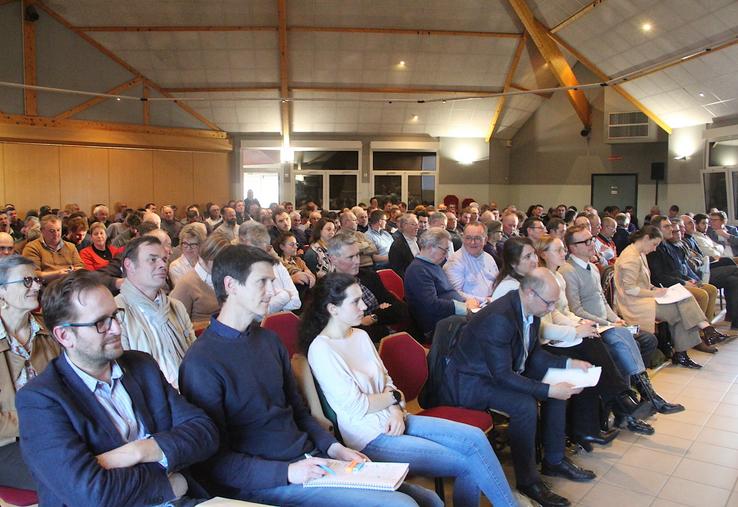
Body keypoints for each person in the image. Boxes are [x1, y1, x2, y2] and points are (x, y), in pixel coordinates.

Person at [179, 245, 441, 507]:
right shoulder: (202, 362)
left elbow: (299, 411)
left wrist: (334, 448)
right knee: (402, 504)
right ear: (231, 285)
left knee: (427, 499)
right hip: (265, 481)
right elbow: (213, 460)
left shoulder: (269, 340)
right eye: (262, 282)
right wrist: (288, 472)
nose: (273, 291)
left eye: (272, 281)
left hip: (310, 459)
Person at [301, 272, 518, 507]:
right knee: (469, 463)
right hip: (369, 437)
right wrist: (393, 398)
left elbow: (387, 381)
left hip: (396, 417)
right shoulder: (322, 349)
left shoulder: (361, 336)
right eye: (355, 301)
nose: (364, 305)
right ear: (333, 309)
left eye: (361, 298)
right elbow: (357, 405)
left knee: (474, 438)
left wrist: (395, 409)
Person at [16, 270, 218, 507]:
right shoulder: (40, 400)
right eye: (101, 322)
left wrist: (139, 451)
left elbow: (205, 433)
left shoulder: (142, 366)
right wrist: (172, 483)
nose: (116, 329)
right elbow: (90, 494)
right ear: (65, 335)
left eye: (115, 316)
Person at [440, 268, 595, 507]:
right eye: (550, 303)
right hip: (471, 381)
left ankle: (554, 460)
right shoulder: (500, 318)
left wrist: (567, 363)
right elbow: (502, 376)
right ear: (530, 293)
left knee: (555, 385)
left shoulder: (530, 309)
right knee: (525, 404)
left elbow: (532, 355)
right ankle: (528, 481)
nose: (552, 309)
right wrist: (547, 390)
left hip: (498, 371)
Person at [559, 225, 683, 414]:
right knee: (623, 341)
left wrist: (616, 319)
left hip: (607, 324)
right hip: (592, 328)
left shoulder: (592, 267)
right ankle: (644, 396)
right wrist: (607, 324)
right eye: (585, 242)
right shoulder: (568, 271)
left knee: (648, 339)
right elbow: (576, 310)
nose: (592, 244)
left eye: (591, 239)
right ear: (572, 248)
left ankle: (635, 393)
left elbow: (602, 301)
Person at [614, 226, 721, 369]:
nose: (654, 249)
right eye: (654, 244)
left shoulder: (639, 253)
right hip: (633, 303)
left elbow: (643, 283)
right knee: (681, 311)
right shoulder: (630, 258)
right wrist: (654, 293)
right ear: (646, 238)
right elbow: (629, 289)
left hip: (643, 297)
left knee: (684, 297)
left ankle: (697, 338)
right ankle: (700, 335)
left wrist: (655, 288)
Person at [0, 256, 60, 491]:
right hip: (7, 445)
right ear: (2, 291)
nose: (36, 285)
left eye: (36, 279)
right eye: (26, 281)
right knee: (69, 475)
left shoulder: (47, 329)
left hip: (57, 432)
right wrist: (41, 420)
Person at [116, 236, 196, 387]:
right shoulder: (117, 313)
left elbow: (195, 355)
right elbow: (125, 374)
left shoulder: (176, 307)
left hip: (190, 388)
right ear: (129, 265)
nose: (162, 265)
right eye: (153, 260)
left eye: (164, 259)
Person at [647, 216, 720, 347]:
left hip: (676, 281)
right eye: (667, 227)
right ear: (657, 230)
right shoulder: (655, 249)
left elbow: (679, 268)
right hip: (665, 286)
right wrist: (683, 282)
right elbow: (659, 277)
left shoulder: (669, 245)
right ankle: (698, 336)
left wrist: (690, 280)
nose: (672, 229)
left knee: (711, 289)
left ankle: (707, 331)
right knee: (701, 295)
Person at [327, 231, 408, 342]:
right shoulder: (327, 288)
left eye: (358, 255)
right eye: (350, 257)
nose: (357, 261)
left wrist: (372, 318)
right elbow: (345, 331)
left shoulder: (370, 277)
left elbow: (400, 309)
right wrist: (381, 313)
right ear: (333, 259)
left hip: (384, 337)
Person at [404, 228, 479, 341]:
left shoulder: (432, 265)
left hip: (451, 317)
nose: (446, 255)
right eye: (444, 250)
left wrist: (466, 300)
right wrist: (464, 307)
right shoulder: (418, 270)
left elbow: (448, 291)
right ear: (430, 247)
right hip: (438, 325)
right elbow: (431, 305)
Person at [171, 234, 231, 329]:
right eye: (218, 261)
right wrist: (212, 324)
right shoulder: (186, 284)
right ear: (206, 257)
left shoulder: (224, 277)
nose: (223, 266)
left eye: (227, 261)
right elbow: (176, 325)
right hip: (202, 338)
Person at [238, 222, 301, 313]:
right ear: (243, 242)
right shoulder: (240, 268)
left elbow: (296, 303)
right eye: (254, 244)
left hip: (282, 321)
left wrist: (274, 302)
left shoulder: (277, 265)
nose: (258, 250)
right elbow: (256, 312)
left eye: (261, 243)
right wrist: (285, 295)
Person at [444, 221, 499, 305]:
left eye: (477, 238)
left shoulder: (489, 258)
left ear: (485, 240)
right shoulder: (455, 261)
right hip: (473, 308)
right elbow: (455, 293)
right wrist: (485, 300)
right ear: (462, 238)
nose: (472, 242)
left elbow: (497, 282)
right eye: (468, 238)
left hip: (493, 302)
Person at [22, 214, 84, 281]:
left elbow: (80, 267)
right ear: (42, 231)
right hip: (45, 287)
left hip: (70, 284)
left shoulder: (70, 246)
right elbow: (33, 274)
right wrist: (57, 274)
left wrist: (75, 270)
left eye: (58, 230)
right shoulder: (32, 247)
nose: (56, 234)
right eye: (52, 231)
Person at [273, 231, 316, 299]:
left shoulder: (298, 260)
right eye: (292, 244)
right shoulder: (278, 263)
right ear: (282, 247)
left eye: (296, 244)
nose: (296, 247)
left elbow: (312, 277)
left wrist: (307, 273)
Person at [389, 213, 420, 278]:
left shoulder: (419, 241)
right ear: (404, 225)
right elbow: (397, 270)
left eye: (417, 224)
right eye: (414, 224)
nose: (417, 227)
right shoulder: (397, 246)